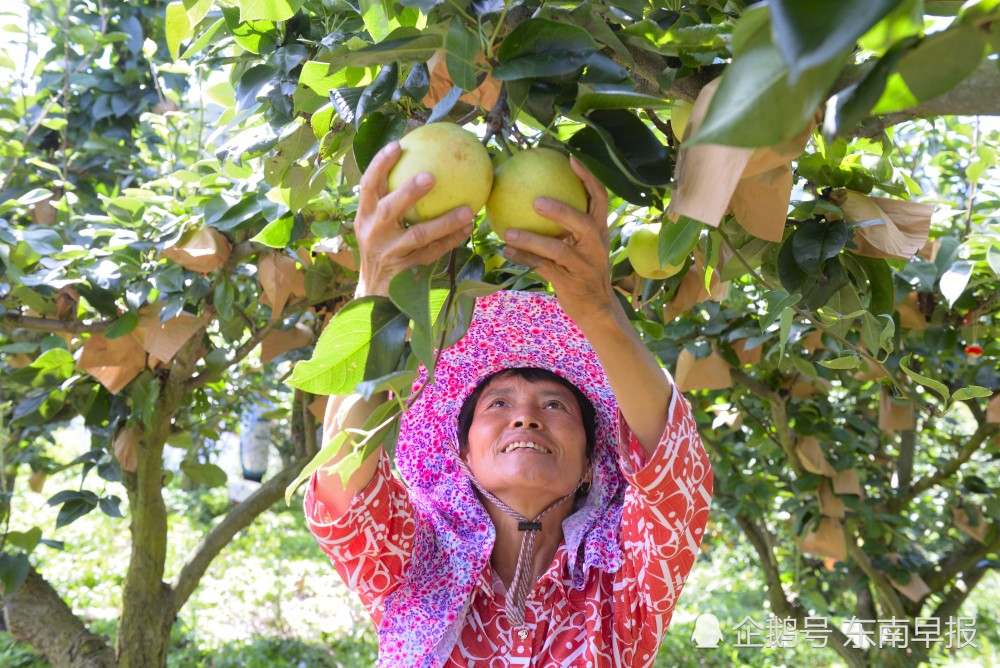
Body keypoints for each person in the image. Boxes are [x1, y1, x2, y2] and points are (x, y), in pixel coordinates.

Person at [304, 139, 713, 667]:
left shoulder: (620, 585)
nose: (526, 416)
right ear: (463, 453)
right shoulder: (416, 564)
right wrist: (376, 282)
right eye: (497, 403)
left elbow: (676, 478)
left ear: (591, 460)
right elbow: (342, 496)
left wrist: (598, 309)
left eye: (556, 405)